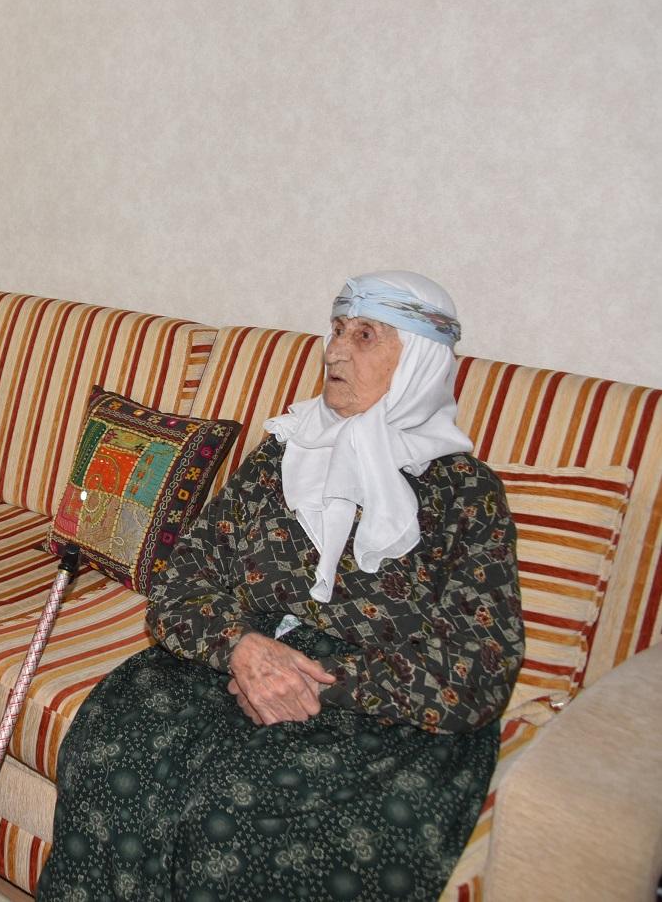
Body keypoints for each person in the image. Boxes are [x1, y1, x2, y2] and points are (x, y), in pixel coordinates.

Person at [36, 271, 524, 901]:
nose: (335, 351)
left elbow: (479, 666)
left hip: (377, 704)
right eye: (337, 330)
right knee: (111, 756)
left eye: (364, 335)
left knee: (237, 822)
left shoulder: (466, 495)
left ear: (419, 361)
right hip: (239, 656)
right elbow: (183, 579)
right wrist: (240, 646)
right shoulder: (284, 450)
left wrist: (317, 678)